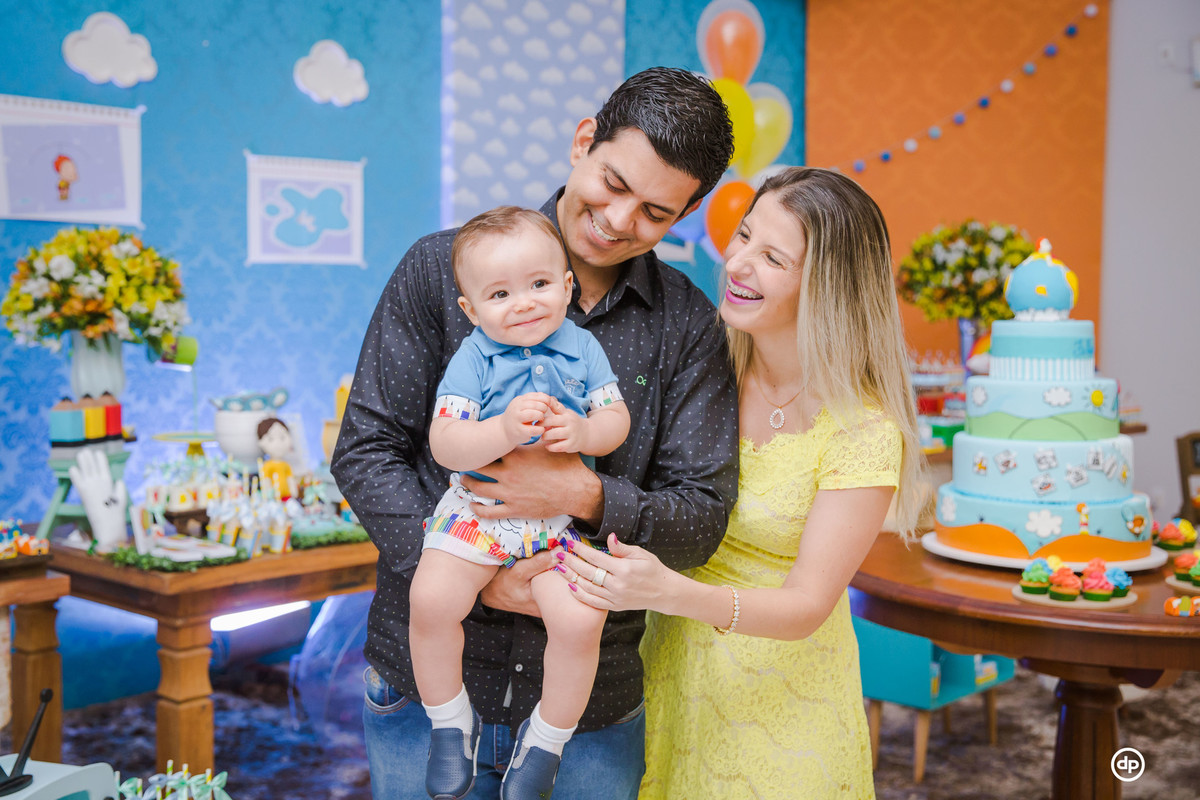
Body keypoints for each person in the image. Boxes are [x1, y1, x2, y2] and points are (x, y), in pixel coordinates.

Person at [330, 66, 738, 800]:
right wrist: (475, 578)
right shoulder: (438, 270)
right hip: (422, 693)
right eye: (613, 183)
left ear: (688, 211)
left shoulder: (687, 324)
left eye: (655, 212)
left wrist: (581, 494)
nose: (619, 220)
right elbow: (366, 451)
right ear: (584, 142)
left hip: (592, 716)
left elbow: (700, 519)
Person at [554, 166, 927, 799]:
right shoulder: (705, 363)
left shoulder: (864, 429)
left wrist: (671, 592)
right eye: (745, 236)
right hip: (664, 673)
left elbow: (808, 604)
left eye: (773, 258)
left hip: (783, 704)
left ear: (828, 287)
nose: (737, 263)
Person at [411, 206, 630, 799]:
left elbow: (615, 418)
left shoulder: (583, 348)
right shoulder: (473, 358)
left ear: (567, 285)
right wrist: (502, 430)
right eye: (500, 294)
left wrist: (585, 433)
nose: (524, 303)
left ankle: (547, 740)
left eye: (539, 284)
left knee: (581, 620)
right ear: (471, 310)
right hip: (478, 516)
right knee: (430, 600)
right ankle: (449, 722)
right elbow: (445, 442)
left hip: (556, 524)